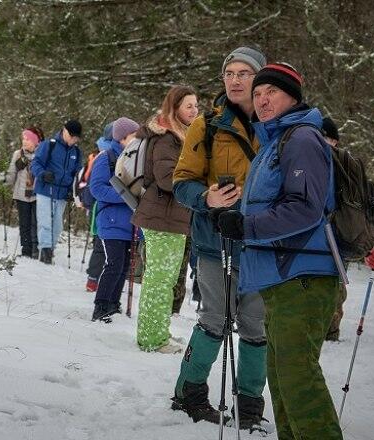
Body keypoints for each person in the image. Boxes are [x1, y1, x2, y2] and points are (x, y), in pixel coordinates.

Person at [215, 62, 344, 439]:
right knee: (284, 381)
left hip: (303, 277)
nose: (262, 99)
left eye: (271, 91)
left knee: (298, 380)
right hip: (282, 278)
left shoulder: (302, 139)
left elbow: (305, 208)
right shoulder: (274, 143)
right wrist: (234, 217)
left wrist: (248, 226)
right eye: (257, 94)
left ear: (293, 97)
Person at [170, 46, 268, 429]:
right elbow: (181, 183)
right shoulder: (206, 125)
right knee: (215, 318)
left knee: (256, 326)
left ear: (260, 78)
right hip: (215, 242)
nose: (236, 80)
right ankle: (188, 393)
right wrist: (207, 197)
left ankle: (250, 407)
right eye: (230, 73)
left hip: (261, 243)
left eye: (245, 73)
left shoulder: (275, 124)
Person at [133, 85, 199, 353]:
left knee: (166, 279)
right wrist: (196, 180)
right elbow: (166, 178)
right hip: (162, 216)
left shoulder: (180, 136)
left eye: (196, 106)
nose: (194, 111)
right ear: (175, 109)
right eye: (188, 106)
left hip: (171, 217)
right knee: (159, 280)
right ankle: (151, 338)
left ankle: (159, 331)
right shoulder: (167, 138)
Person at [88, 117, 140, 321]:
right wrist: (125, 197)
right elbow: (97, 189)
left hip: (129, 223)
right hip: (110, 220)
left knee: (124, 265)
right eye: (134, 137)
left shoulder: (135, 160)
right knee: (115, 263)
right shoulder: (106, 157)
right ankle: (101, 306)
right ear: (122, 138)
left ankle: (113, 303)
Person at [30, 120, 83, 264]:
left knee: (57, 225)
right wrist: (42, 174)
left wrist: (73, 191)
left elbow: (78, 174)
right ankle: (45, 253)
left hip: (62, 193)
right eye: (72, 136)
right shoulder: (49, 144)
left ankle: (50, 249)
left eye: (76, 138)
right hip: (46, 189)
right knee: (46, 222)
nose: (74, 140)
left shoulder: (76, 152)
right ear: (65, 131)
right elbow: (35, 163)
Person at [319, 116, 349, 341]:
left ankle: (331, 330)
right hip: (320, 234)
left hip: (337, 233)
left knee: (335, 284)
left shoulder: (341, 164)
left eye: (327, 138)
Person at [79, 123, 117, 291]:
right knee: (102, 244)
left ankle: (94, 278)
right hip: (101, 204)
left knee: (100, 244)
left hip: (97, 205)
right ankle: (95, 279)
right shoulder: (106, 155)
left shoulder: (100, 153)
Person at [6, 128, 40, 258]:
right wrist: (4, 180)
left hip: (37, 194)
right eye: (23, 139)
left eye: (28, 139)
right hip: (21, 195)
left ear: (35, 141)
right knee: (24, 224)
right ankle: (26, 251)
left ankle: (35, 250)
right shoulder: (18, 154)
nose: (24, 142)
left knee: (36, 223)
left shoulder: (41, 154)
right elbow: (11, 173)